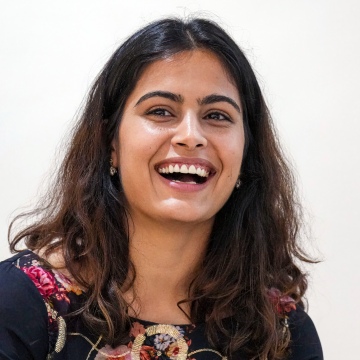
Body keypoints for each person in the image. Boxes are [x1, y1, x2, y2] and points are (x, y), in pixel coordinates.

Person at [0, 18, 323, 360]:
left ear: (246, 153)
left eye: (217, 116)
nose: (191, 135)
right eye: (161, 111)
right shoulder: (22, 304)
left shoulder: (282, 330)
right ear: (111, 142)